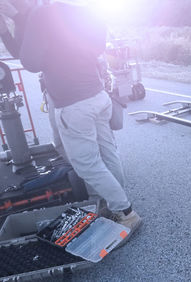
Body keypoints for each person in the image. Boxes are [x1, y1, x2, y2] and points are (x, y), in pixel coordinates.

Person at [19, 0, 141, 238]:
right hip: (97, 95)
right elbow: (96, 48)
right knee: (107, 152)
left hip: (74, 105)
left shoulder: (42, 13)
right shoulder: (85, 11)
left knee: (88, 165)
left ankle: (126, 212)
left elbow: (30, 62)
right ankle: (117, 203)